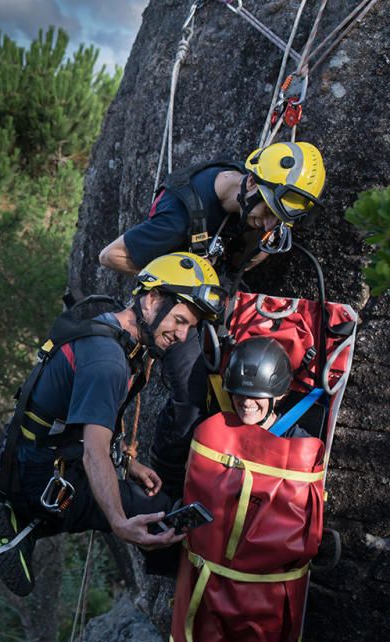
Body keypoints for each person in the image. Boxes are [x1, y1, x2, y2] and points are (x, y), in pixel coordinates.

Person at [97, 141, 325, 497]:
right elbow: (111, 255)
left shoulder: (250, 198)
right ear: (250, 183)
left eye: (277, 219)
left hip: (216, 296)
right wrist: (178, 284)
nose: (267, 224)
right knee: (191, 395)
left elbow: (251, 252)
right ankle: (166, 488)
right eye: (267, 212)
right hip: (178, 305)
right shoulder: (181, 215)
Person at [0, 252, 225, 597]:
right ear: (152, 299)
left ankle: (26, 520)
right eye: (179, 320)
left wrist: (129, 465)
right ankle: (31, 515)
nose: (181, 334)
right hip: (44, 474)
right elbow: (93, 452)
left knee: (145, 500)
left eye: (189, 326)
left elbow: (78, 424)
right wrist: (119, 523)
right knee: (160, 519)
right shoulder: (108, 361)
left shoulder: (112, 329)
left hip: (33, 455)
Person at [223, 336, 310, 438]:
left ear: (279, 394)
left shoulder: (297, 442)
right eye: (240, 393)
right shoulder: (220, 427)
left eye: (256, 395)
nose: (247, 402)